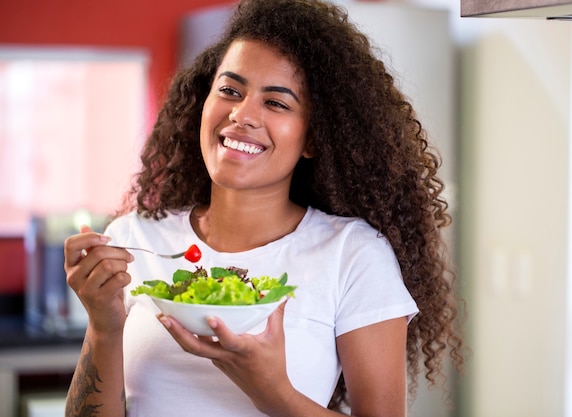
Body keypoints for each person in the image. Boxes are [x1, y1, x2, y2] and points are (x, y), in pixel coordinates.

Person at [63, 0, 464, 416]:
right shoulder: (134, 238)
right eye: (230, 91)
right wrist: (103, 326)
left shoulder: (354, 254)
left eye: (276, 103)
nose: (241, 115)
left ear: (312, 139)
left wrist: (271, 389)